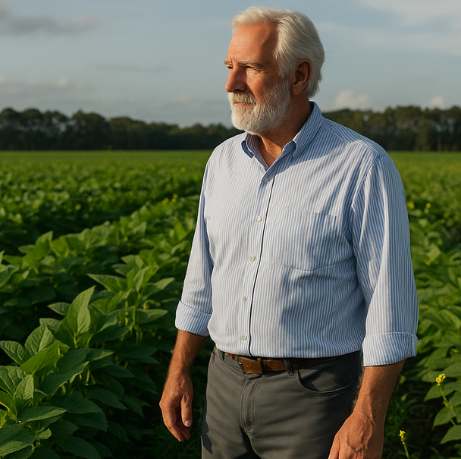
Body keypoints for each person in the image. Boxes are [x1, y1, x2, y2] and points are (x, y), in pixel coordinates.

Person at [158, 7, 418, 459]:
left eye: (251, 68)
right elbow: (201, 281)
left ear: (298, 76)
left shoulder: (361, 165)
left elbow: (390, 307)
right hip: (222, 385)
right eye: (229, 67)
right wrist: (179, 370)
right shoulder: (222, 162)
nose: (230, 83)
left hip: (313, 397)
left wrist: (368, 417)